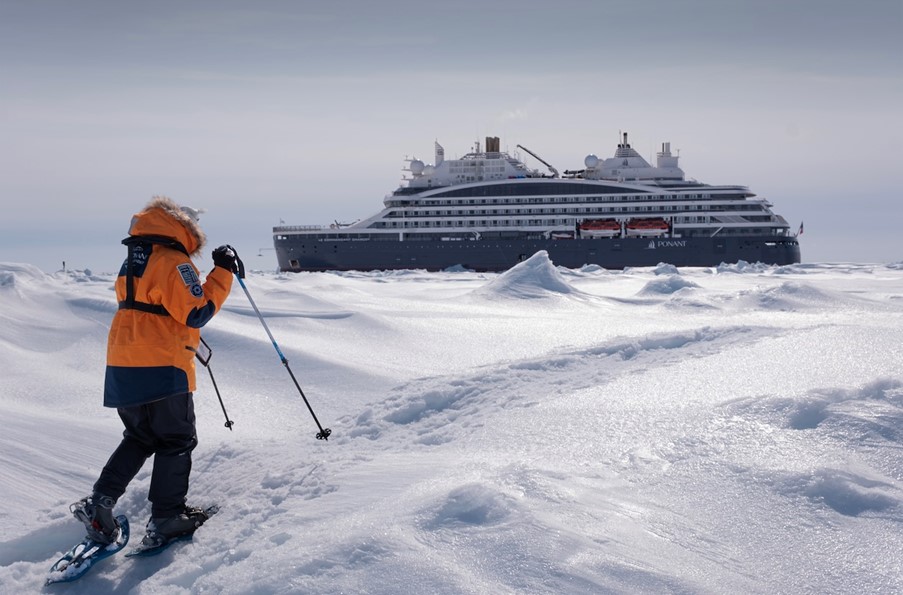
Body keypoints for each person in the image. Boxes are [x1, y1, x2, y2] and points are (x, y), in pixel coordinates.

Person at [70, 196, 243, 547]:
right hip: (162, 363)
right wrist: (223, 272)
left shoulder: (133, 260)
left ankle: (100, 501)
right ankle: (167, 517)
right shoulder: (173, 261)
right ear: (183, 229)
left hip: (124, 361)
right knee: (176, 439)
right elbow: (196, 312)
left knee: (141, 437)